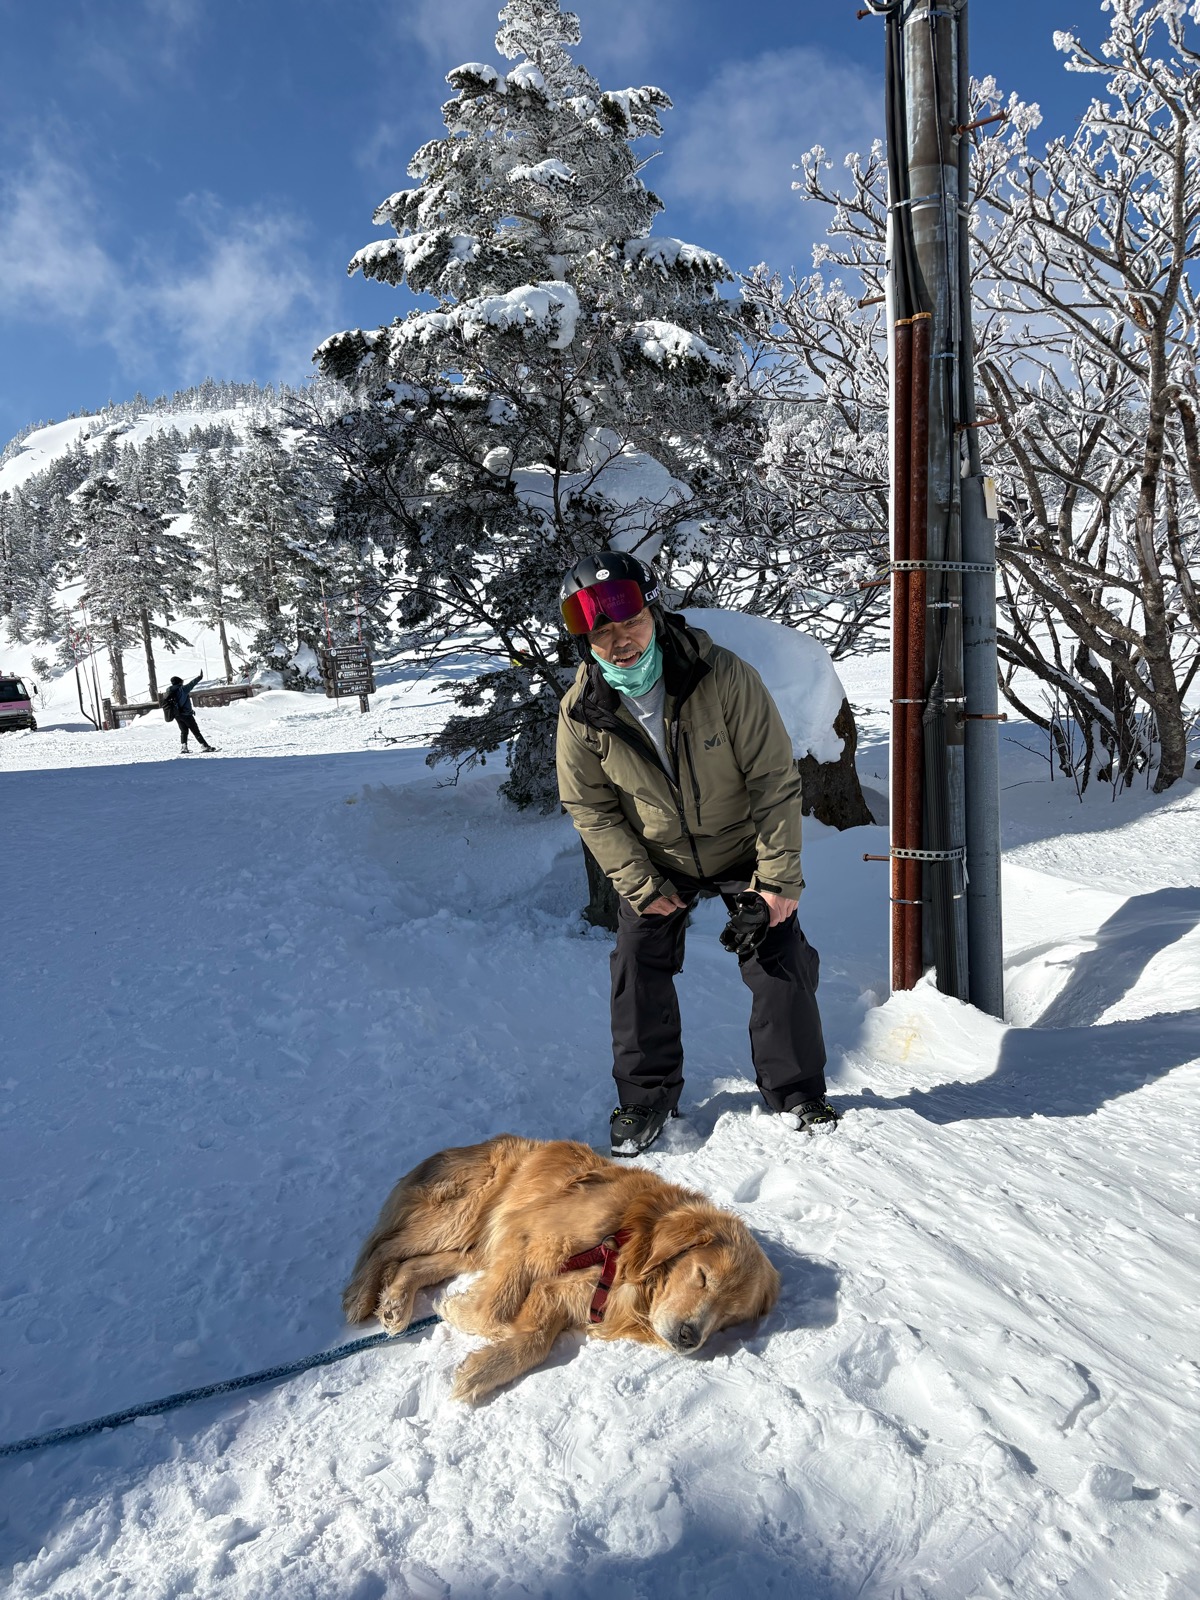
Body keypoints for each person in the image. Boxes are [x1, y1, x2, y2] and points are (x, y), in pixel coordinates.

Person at [555, 551, 837, 1156]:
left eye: (629, 621)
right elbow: (591, 808)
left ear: (653, 611)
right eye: (600, 631)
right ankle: (644, 1099)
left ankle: (795, 1091)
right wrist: (640, 885)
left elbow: (773, 778)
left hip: (741, 845)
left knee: (778, 953)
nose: (620, 640)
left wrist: (777, 881)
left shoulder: (723, 676)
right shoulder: (583, 712)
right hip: (659, 860)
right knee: (636, 961)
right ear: (586, 642)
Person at [165, 673, 214, 753]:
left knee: (183, 731)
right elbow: (192, 684)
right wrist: (199, 677)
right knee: (195, 730)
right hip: (186, 714)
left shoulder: (169, 691)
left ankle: (184, 747)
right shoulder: (182, 689)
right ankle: (204, 746)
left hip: (177, 715)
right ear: (179, 682)